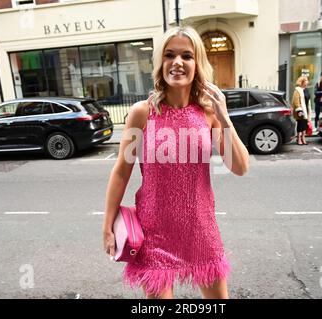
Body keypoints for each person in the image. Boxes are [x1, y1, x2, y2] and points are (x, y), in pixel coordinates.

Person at [102, 26, 250, 299]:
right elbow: (122, 172)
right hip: (154, 231)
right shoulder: (142, 113)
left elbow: (240, 167)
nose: (177, 62)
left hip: (201, 228)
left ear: (198, 64)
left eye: (187, 56)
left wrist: (224, 116)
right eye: (169, 55)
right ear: (160, 63)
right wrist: (107, 225)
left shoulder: (208, 113)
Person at [292, 76, 311, 145]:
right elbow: (295, 101)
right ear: (302, 82)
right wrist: (299, 110)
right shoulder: (297, 90)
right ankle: (299, 138)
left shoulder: (306, 90)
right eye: (306, 80)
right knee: (300, 125)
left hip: (306, 109)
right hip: (300, 110)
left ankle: (303, 138)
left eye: (307, 80)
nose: (307, 81)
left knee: (305, 125)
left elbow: (308, 99)